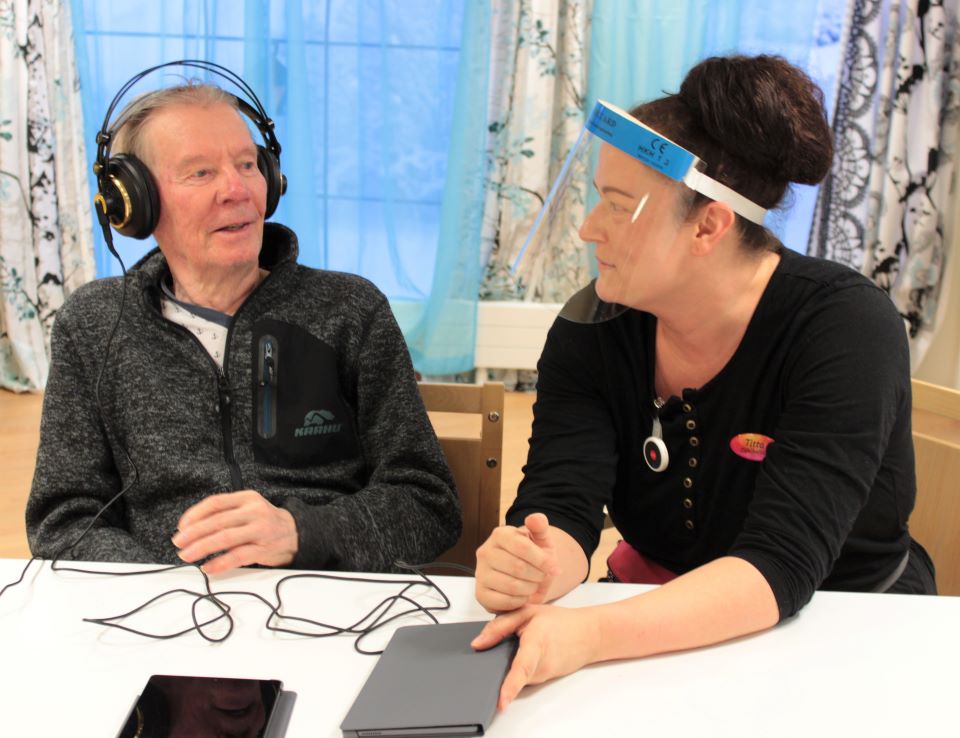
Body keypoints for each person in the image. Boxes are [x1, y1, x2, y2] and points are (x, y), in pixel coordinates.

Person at [471, 55, 936, 708]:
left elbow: (780, 564)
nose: (586, 229)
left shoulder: (843, 327)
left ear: (708, 225)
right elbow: (564, 506)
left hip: (847, 624)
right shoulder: (590, 328)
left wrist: (591, 632)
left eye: (617, 206)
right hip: (653, 620)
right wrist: (534, 565)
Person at [26, 77, 461, 574]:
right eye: (200, 173)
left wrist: (302, 534)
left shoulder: (350, 309)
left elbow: (429, 505)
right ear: (134, 202)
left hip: (328, 604)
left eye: (247, 165)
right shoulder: (93, 325)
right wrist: (162, 585)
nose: (236, 190)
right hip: (159, 618)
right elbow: (62, 520)